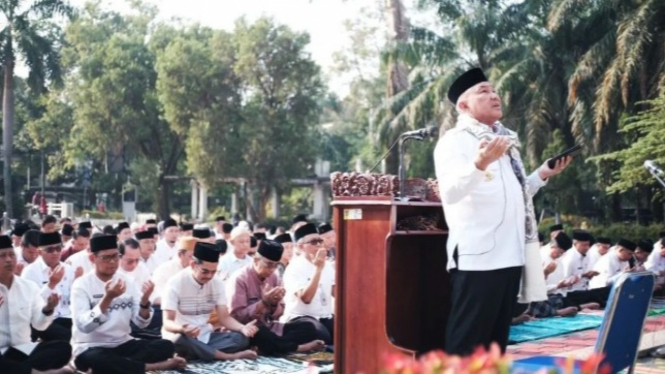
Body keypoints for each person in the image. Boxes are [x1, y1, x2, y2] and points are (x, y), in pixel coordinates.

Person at [434, 68, 571, 355]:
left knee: (495, 342)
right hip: (479, 256)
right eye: (483, 91)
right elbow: (450, 193)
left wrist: (542, 174)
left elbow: (518, 195)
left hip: (510, 253)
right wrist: (480, 163)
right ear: (463, 105)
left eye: (493, 89)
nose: (494, 95)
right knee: (468, 338)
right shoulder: (455, 140)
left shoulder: (505, 141)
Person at [70, 235, 186, 374]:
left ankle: (120, 366)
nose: (113, 262)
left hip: (123, 343)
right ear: (93, 258)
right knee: (95, 359)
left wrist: (144, 301)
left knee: (166, 345)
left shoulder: (127, 281)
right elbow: (85, 327)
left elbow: (141, 323)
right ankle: (151, 367)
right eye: (106, 258)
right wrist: (107, 299)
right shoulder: (81, 285)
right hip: (91, 346)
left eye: (116, 256)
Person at [161, 242, 258, 361]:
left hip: (206, 336)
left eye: (213, 272)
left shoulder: (217, 283)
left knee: (241, 338)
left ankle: (201, 353)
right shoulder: (175, 283)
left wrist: (243, 328)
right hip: (183, 336)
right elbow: (167, 322)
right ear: (193, 264)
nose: (209, 276)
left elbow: (224, 318)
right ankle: (227, 356)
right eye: (205, 271)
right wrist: (182, 329)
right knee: (177, 340)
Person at [228, 239, 326, 354]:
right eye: (269, 265)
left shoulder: (274, 277)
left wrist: (274, 304)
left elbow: (279, 314)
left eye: (275, 266)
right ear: (256, 260)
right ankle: (299, 348)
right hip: (248, 329)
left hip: (270, 327)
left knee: (307, 327)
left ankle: (274, 347)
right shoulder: (239, 279)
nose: (272, 270)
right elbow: (237, 317)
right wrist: (263, 303)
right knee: (261, 332)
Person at [0, 235, 72, 373]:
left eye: (11, 255)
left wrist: (48, 309)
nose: (8, 259)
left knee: (63, 348)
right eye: (2, 256)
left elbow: (39, 325)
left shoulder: (28, 287)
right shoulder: (30, 271)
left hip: (23, 349)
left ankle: (23, 370)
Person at [21, 232, 81, 342]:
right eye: (50, 250)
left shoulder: (68, 269)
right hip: (44, 319)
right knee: (68, 337)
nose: (55, 253)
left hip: (67, 316)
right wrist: (51, 284)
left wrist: (78, 283)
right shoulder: (30, 272)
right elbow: (31, 305)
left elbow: (73, 300)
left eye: (58, 248)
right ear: (40, 252)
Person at [282, 223, 335, 344]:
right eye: (313, 242)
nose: (318, 245)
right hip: (301, 317)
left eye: (320, 241)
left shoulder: (327, 266)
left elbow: (336, 292)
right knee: (321, 334)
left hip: (324, 316)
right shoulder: (294, 267)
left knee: (344, 330)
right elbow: (306, 298)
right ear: (301, 247)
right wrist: (318, 269)